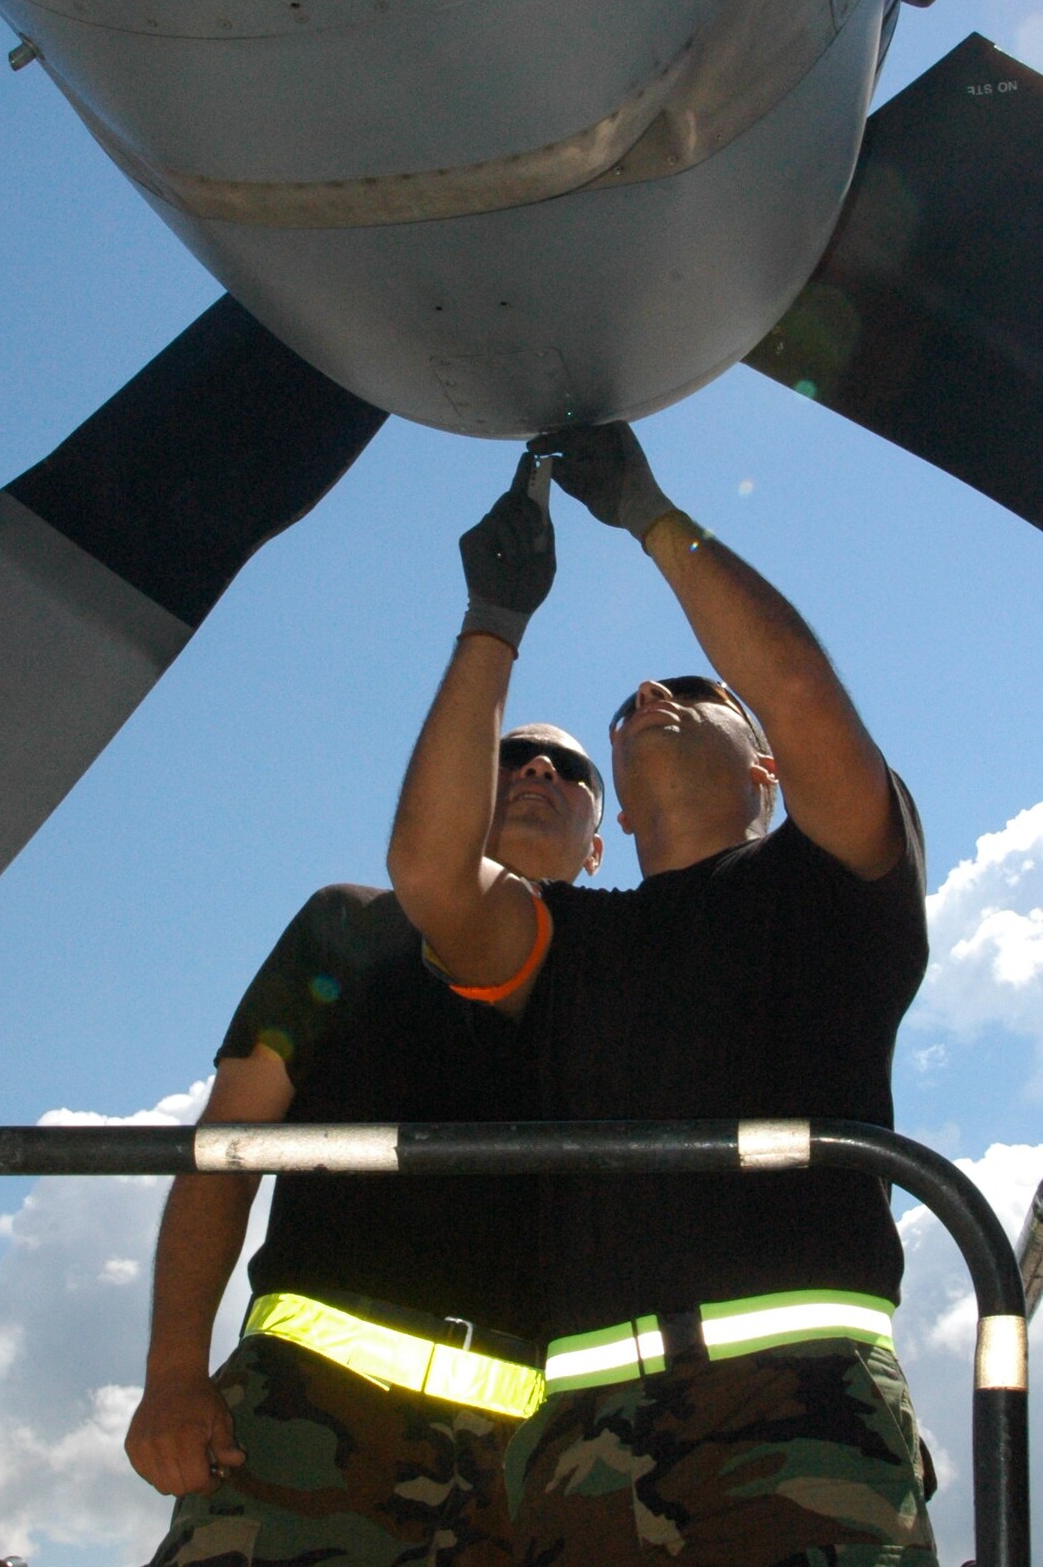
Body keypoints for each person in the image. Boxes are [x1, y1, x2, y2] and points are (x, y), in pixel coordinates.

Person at [387, 425, 938, 1567]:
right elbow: (433, 875)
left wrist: (649, 514)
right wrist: (494, 616)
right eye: (626, 706)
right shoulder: (563, 937)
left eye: (695, 690)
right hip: (575, 1440)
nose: (647, 691)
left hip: (803, 1412)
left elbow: (792, 682)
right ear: (615, 826)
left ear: (764, 767)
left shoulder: (832, 879)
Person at [127, 705, 605, 1566]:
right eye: (516, 758)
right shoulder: (346, 928)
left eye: (570, 771)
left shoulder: (627, 978)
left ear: (598, 847)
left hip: (535, 1468)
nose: (538, 773)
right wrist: (172, 1375)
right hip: (299, 1426)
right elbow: (226, 1147)